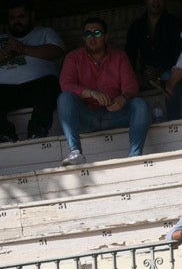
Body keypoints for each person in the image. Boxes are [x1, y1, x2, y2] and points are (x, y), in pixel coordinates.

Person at [57, 17, 152, 164]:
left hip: (114, 113)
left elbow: (131, 85)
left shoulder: (119, 56)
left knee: (140, 104)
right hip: (86, 116)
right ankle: (76, 153)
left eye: (97, 33)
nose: (92, 38)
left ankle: (135, 157)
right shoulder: (73, 58)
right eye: (88, 34)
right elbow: (66, 84)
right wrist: (90, 92)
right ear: (83, 38)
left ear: (106, 37)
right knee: (64, 98)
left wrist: (123, 98)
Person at [0, 0, 64, 143]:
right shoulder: (1, 39)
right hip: (4, 91)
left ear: (31, 16)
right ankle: (4, 134)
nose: (16, 21)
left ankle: (37, 130)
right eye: (12, 18)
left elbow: (56, 51)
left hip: (37, 87)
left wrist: (23, 49)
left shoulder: (44, 33)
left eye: (21, 17)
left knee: (52, 84)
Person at [125, 0, 182, 115]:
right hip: (146, 76)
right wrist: (136, 75)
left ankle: (174, 122)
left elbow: (179, 54)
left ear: (165, 0)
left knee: (170, 77)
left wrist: (160, 69)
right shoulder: (136, 26)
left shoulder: (174, 23)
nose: (155, 1)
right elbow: (130, 55)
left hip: (167, 72)